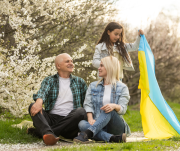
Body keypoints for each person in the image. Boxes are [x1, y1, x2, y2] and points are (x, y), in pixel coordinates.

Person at [28, 53, 88, 145]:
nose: (71, 63)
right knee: (33, 106)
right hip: (51, 119)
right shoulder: (49, 80)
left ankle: (47, 133)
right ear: (58, 66)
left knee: (81, 111)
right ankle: (48, 133)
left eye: (72, 61)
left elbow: (87, 102)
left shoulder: (80, 82)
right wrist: (39, 101)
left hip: (71, 121)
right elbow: (43, 92)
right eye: (67, 61)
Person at [73, 56, 130, 143]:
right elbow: (88, 104)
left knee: (109, 109)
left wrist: (114, 106)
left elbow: (123, 110)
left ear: (109, 67)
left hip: (115, 126)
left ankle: (87, 134)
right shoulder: (93, 86)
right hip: (98, 124)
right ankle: (113, 138)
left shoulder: (122, 87)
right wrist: (90, 119)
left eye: (101, 66)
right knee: (82, 124)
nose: (99, 68)